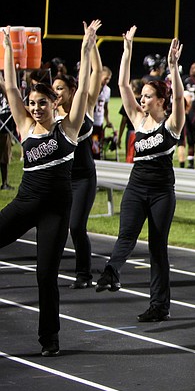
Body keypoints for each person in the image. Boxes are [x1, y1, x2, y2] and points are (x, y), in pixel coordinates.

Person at [0, 22, 97, 355]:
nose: (36, 107)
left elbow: (83, 90)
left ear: (55, 104)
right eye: (33, 103)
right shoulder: (26, 127)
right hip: (26, 202)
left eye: (43, 102)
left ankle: (49, 339)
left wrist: (86, 48)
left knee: (45, 275)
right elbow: (11, 90)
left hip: (56, 210)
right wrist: (9, 52)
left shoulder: (68, 129)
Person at [95, 27, 185, 324]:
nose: (142, 100)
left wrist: (173, 69)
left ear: (161, 100)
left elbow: (180, 98)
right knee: (126, 236)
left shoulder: (171, 125)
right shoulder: (137, 119)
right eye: (142, 95)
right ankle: (111, 272)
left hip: (161, 192)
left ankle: (160, 306)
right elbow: (122, 83)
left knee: (157, 248)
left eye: (148, 96)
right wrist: (127, 49)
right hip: (136, 188)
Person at [54, 35, 106, 289]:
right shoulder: (49, 114)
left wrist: (91, 45)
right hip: (60, 179)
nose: (56, 93)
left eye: (60, 88)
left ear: (72, 90)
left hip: (83, 176)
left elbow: (96, 71)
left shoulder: (84, 107)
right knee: (54, 227)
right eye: (53, 89)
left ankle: (83, 274)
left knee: (76, 226)